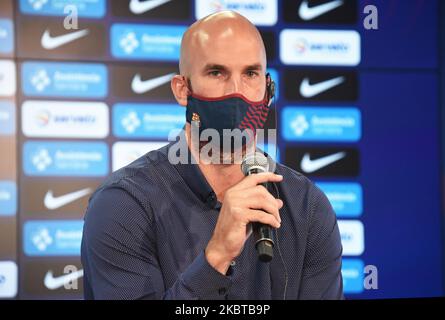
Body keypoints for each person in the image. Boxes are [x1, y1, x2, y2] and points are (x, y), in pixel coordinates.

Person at [81, 11, 344, 300]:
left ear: (268, 88)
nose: (236, 92)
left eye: (251, 74)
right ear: (183, 90)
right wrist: (216, 257)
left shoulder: (307, 207)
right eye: (216, 73)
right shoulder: (123, 205)